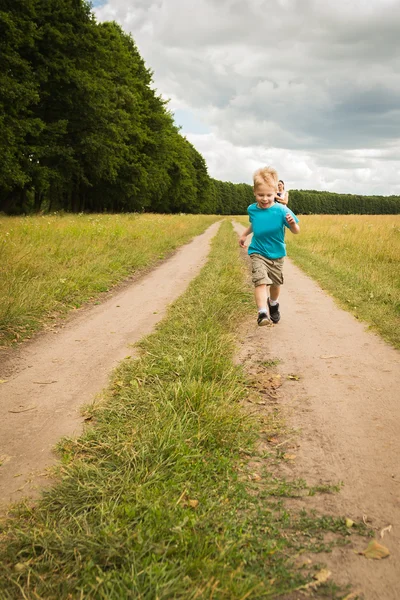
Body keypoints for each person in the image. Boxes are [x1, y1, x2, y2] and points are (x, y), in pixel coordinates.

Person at [239, 166, 300, 326]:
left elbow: (296, 231)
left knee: (275, 284)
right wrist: (245, 234)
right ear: (254, 192)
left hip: (277, 254)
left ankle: (273, 304)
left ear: (276, 194)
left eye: (269, 195)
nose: (265, 199)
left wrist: (293, 224)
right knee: (260, 281)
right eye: (260, 195)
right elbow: (255, 223)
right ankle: (262, 313)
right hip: (258, 251)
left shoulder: (282, 210)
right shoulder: (252, 209)